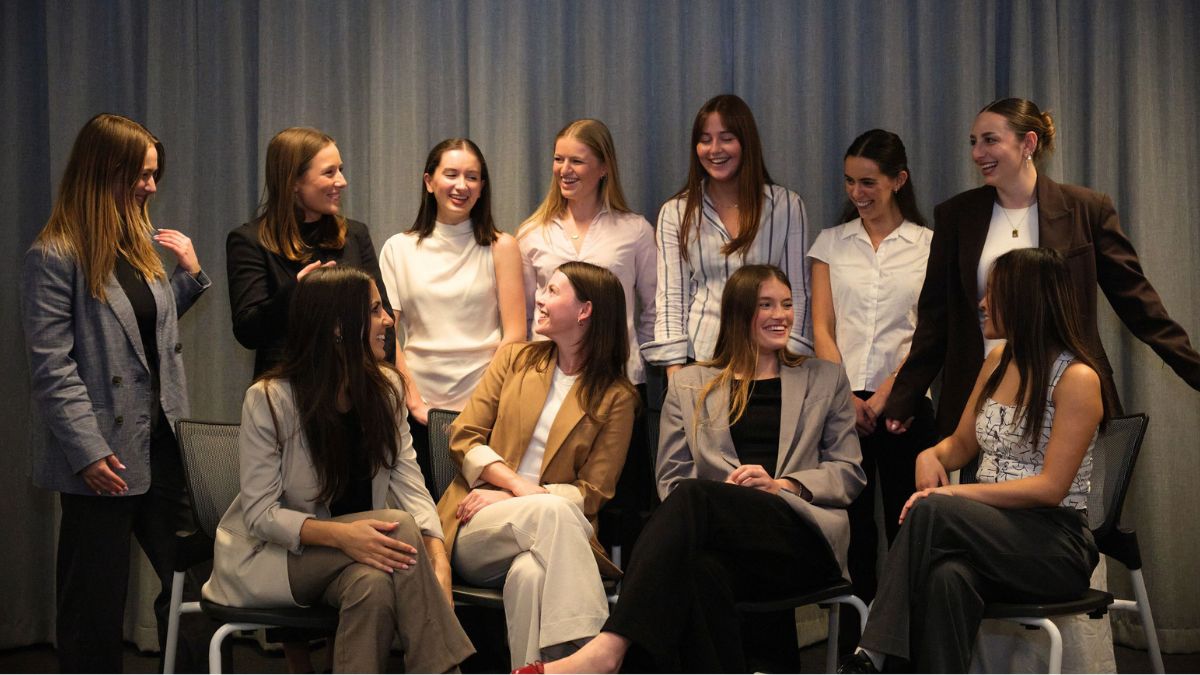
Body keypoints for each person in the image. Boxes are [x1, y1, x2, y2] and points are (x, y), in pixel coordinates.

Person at [524, 265, 865, 674]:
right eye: (767, 305)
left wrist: (782, 484)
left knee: (695, 497)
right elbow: (670, 480)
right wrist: (730, 498)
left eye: (788, 304)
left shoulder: (824, 378)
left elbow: (848, 473)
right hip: (721, 540)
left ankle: (608, 650)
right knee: (701, 573)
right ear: (738, 313)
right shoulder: (689, 384)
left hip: (800, 539)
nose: (782, 315)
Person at [840, 247, 1112, 673]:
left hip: (1054, 544)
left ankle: (870, 655)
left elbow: (1050, 488)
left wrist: (954, 495)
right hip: (988, 534)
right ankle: (881, 658)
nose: (981, 303)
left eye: (994, 294)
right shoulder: (998, 361)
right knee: (947, 578)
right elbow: (962, 445)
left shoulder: (1077, 378)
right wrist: (931, 453)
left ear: (1026, 300)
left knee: (933, 509)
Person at [203, 267, 474, 674]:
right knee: (397, 527)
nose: (389, 320)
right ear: (337, 328)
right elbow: (261, 515)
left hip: (357, 558)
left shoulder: (387, 390)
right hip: (276, 558)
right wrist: (344, 537)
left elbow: (410, 484)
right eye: (376, 309)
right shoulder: (269, 400)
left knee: (373, 586)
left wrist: (439, 561)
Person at [884, 97, 1200, 442]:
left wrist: (1193, 367)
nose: (978, 153)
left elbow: (1140, 306)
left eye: (990, 140)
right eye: (974, 142)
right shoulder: (956, 216)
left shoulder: (1086, 210)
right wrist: (906, 395)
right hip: (979, 391)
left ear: (1028, 143)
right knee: (976, 493)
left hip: (1065, 391)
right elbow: (935, 317)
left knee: (1065, 493)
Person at [21, 113, 211, 672]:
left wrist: (190, 278)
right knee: (94, 604)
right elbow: (53, 367)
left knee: (196, 581)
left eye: (155, 175)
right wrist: (87, 452)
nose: (152, 187)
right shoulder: (54, 256)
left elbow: (142, 333)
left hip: (162, 441)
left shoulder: (139, 247)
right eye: (142, 175)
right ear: (105, 170)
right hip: (102, 456)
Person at [437, 261, 638, 669]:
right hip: (476, 524)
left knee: (531, 576)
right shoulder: (516, 360)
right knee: (551, 510)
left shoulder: (618, 396)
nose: (539, 298)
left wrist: (517, 497)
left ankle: (536, 670)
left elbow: (594, 493)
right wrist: (514, 487)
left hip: (547, 534)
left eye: (552, 290)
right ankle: (595, 658)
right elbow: (463, 436)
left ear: (584, 311)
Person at [808, 130, 936, 624]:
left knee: (908, 525)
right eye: (849, 182)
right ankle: (854, 641)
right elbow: (821, 326)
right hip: (842, 404)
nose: (858, 193)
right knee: (852, 529)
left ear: (899, 181)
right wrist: (847, 399)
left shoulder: (929, 245)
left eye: (869, 183)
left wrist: (885, 398)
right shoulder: (831, 244)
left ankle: (903, 642)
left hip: (906, 402)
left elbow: (928, 334)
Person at [516, 118, 657, 557]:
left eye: (577, 160)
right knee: (562, 490)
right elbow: (525, 319)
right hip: (555, 386)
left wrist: (641, 368)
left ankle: (626, 604)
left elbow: (654, 309)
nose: (565, 169)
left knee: (625, 504)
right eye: (558, 159)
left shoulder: (634, 230)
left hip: (618, 383)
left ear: (603, 167)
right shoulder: (532, 233)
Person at [379, 137, 524, 495]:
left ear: (483, 187)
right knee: (423, 514)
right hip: (416, 407)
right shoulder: (399, 248)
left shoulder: (501, 246)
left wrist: (482, 405)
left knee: (475, 512)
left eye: (472, 177)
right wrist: (414, 402)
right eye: (452, 174)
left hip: (486, 408)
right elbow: (386, 334)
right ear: (429, 182)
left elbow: (515, 335)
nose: (462, 186)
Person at [642, 94, 813, 377]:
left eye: (726, 138)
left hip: (771, 362)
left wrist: (792, 363)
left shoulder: (787, 205)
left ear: (746, 142)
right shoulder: (675, 212)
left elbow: (799, 292)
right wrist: (676, 374)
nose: (714, 149)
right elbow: (672, 297)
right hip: (701, 358)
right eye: (705, 139)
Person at [227, 126, 393, 378]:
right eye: (329, 173)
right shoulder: (250, 240)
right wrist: (296, 294)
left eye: (341, 170)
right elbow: (248, 332)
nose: (342, 181)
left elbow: (385, 320)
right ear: (293, 181)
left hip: (356, 391)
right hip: (289, 392)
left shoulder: (355, 235)